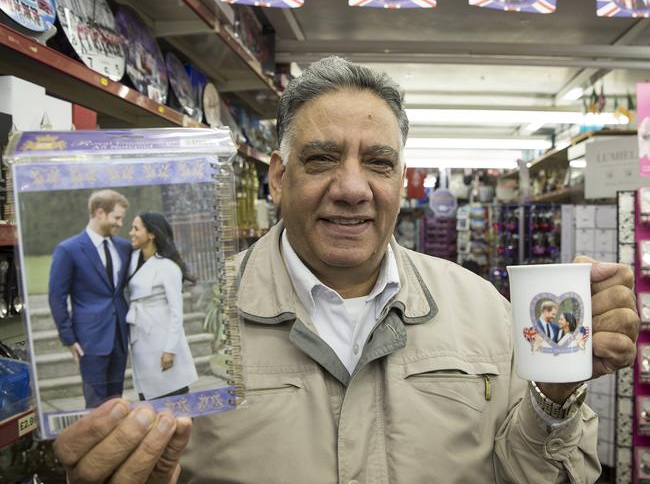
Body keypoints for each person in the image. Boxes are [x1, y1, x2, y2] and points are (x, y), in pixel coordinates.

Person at [52, 57, 640, 483]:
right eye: (323, 159)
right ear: (278, 178)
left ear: (399, 181)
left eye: (378, 163)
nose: (352, 188)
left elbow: (533, 474)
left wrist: (557, 393)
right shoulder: (193, 314)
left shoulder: (485, 310)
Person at [48, 189, 131, 409]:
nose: (121, 224)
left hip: (120, 335)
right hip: (89, 340)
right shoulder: (68, 250)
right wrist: (68, 339)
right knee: (96, 407)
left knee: (117, 402)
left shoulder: (124, 248)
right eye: (117, 217)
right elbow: (57, 297)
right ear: (100, 212)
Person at [126, 212, 198, 401]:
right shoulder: (132, 261)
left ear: (151, 234)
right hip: (140, 338)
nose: (130, 233)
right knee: (148, 400)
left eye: (136, 228)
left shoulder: (168, 267)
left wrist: (170, 349)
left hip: (162, 340)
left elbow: (176, 312)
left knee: (173, 401)